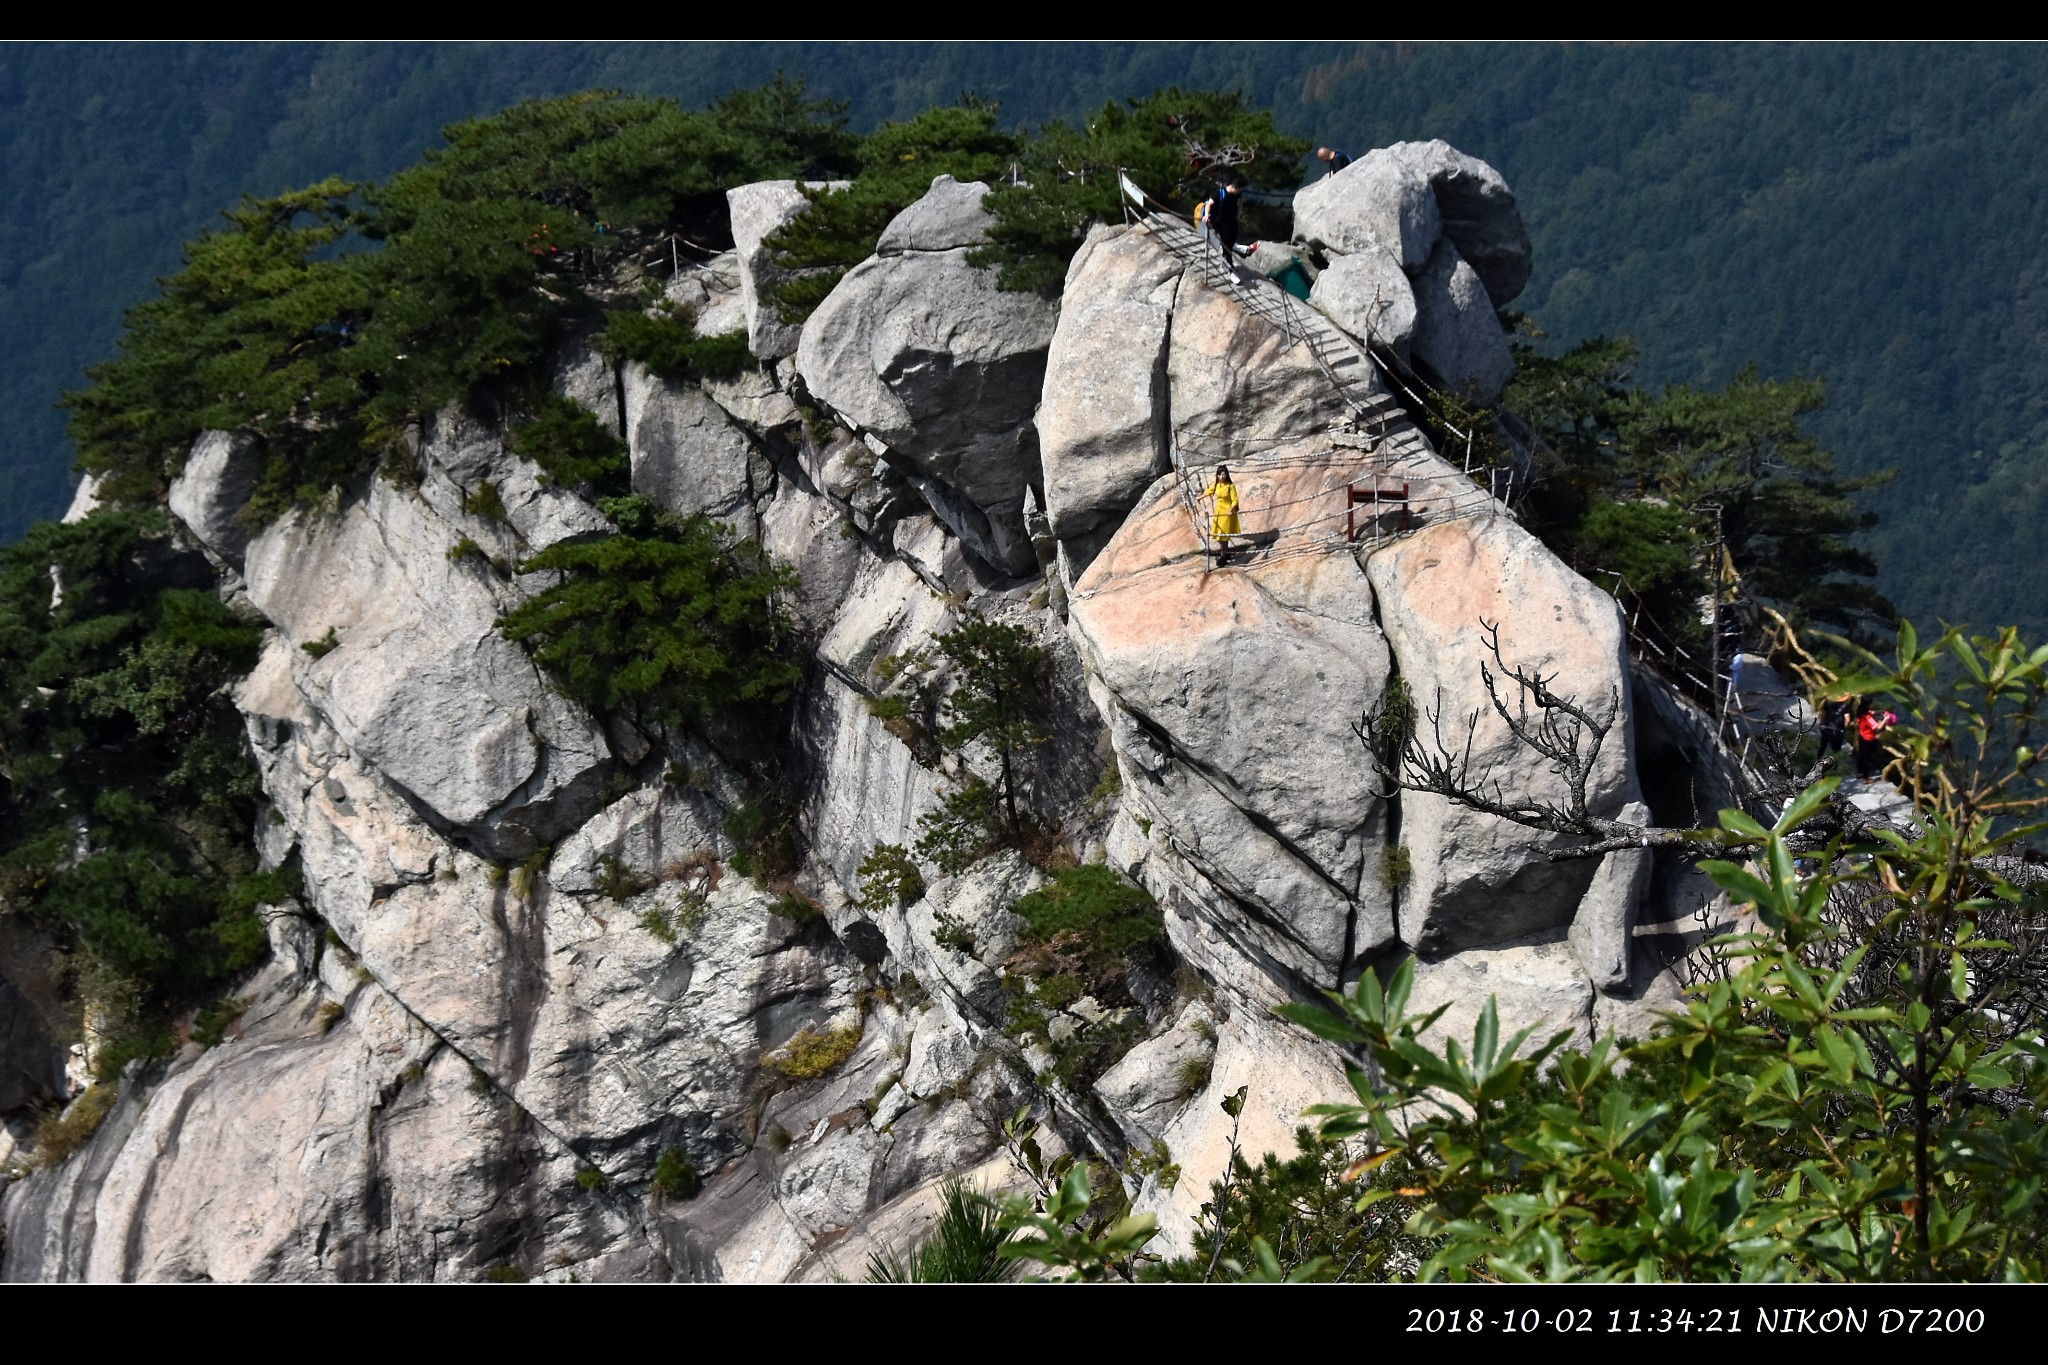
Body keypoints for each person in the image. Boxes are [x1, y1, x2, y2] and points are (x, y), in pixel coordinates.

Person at [1855, 699, 1898, 781]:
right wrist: (1885, 720)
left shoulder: (1860, 713)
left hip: (1862, 736)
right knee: (1867, 758)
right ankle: (1866, 778)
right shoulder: (1867, 717)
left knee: (1861, 755)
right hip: (1868, 739)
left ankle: (1859, 772)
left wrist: (1872, 713)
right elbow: (1878, 727)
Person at [1205, 465, 1241, 560]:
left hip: (1227, 513)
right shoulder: (1217, 485)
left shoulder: (1230, 486)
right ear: (1217, 476)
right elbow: (1209, 491)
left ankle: (1223, 556)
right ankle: (1225, 553)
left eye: (1223, 474)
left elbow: (1235, 500)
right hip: (1218, 512)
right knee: (1220, 535)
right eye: (1220, 475)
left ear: (1227, 475)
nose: (1222, 477)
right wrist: (1200, 498)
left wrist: (1231, 510)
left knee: (1222, 535)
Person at [1205, 177, 1243, 259]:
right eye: (1238, 190)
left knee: (1231, 242)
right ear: (1233, 186)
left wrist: (1239, 214)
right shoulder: (1219, 193)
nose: (1239, 192)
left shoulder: (1237, 194)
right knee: (1226, 243)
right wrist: (1206, 215)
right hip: (1221, 221)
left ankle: (1227, 260)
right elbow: (1209, 204)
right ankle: (1227, 262)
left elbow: (1240, 202)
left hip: (1232, 220)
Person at [1818, 692, 1853, 758]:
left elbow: (1823, 714)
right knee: (1835, 749)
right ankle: (1834, 764)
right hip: (1837, 730)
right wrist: (1845, 728)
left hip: (1826, 727)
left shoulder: (1827, 702)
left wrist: (1822, 724)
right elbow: (1847, 720)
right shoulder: (1846, 706)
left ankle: (1818, 759)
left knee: (1823, 745)